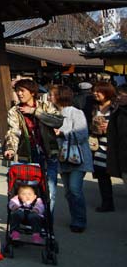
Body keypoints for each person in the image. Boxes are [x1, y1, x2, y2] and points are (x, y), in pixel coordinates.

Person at [3, 78, 62, 213]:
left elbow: (58, 121)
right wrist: (11, 148)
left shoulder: (45, 106)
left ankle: (48, 222)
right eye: (17, 91)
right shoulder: (14, 111)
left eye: (22, 90)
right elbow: (13, 131)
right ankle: (35, 219)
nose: (19, 94)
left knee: (50, 190)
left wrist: (35, 112)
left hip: (49, 153)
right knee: (31, 191)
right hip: (28, 155)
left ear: (33, 92)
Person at [49, 84, 91, 232]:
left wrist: (61, 134)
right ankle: (76, 217)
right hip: (62, 157)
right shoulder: (54, 113)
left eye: (52, 94)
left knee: (74, 189)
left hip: (77, 158)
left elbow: (82, 134)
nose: (49, 97)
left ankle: (80, 220)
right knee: (68, 191)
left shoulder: (76, 113)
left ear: (61, 96)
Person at [89, 81, 122, 212]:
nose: (95, 93)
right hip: (98, 146)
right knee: (102, 176)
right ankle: (107, 203)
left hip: (115, 146)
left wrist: (110, 127)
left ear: (107, 93)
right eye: (94, 91)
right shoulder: (93, 108)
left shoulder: (116, 108)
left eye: (99, 91)